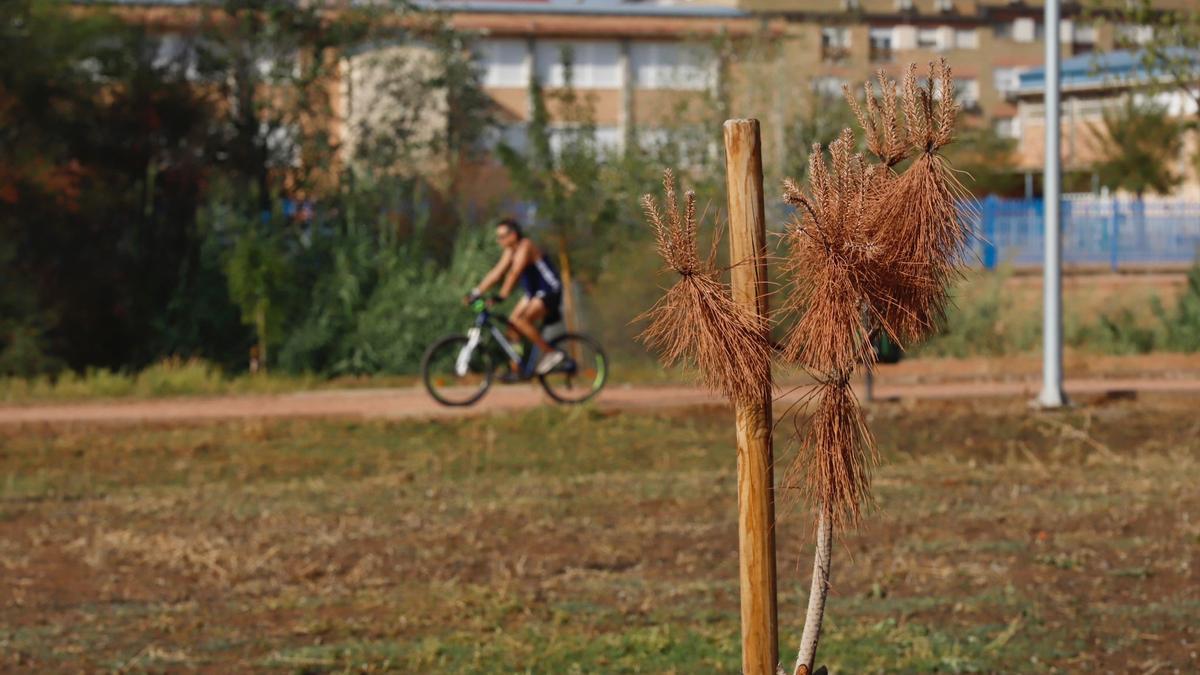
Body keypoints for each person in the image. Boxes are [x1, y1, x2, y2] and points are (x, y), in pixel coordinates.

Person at [468, 218, 565, 376]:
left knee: (521, 320)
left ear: (513, 235)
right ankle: (517, 369)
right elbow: (497, 273)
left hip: (549, 290)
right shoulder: (510, 251)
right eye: (498, 237)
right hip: (533, 293)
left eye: (502, 236)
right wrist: (476, 292)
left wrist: (501, 295)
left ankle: (551, 353)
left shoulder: (525, 246)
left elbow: (514, 272)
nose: (499, 241)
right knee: (512, 326)